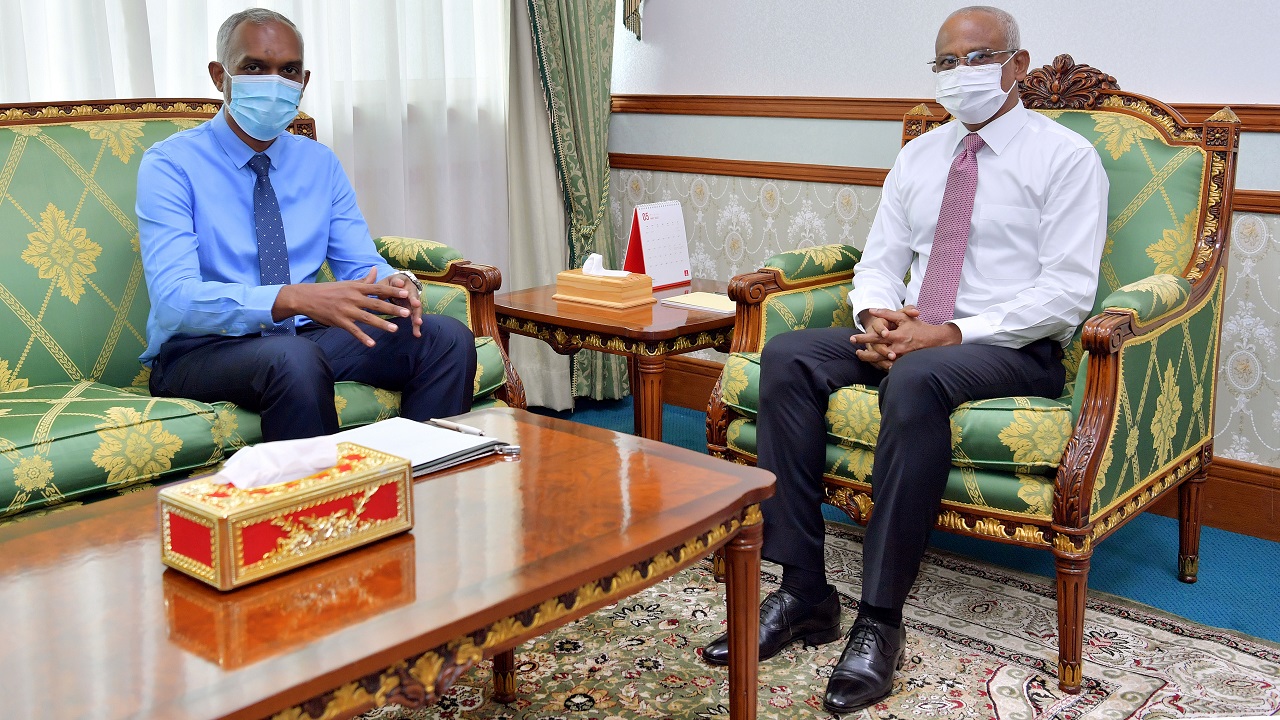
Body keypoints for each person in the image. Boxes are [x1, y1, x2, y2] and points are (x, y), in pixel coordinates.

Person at [700, 6, 1108, 714]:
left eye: (977, 59)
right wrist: (876, 318)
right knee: (790, 356)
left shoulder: (1065, 158)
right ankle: (803, 591)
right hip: (913, 334)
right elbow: (881, 261)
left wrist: (949, 334)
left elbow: (1066, 293)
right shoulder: (920, 156)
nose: (960, 74)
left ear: (1017, 64)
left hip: (1012, 347)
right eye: (946, 62)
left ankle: (880, 618)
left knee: (917, 376)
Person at [137, 8, 476, 442]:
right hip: (201, 348)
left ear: (304, 82)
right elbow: (174, 301)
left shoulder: (319, 163)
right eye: (254, 67)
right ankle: (318, 491)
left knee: (447, 338)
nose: (274, 81)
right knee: (293, 358)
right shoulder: (170, 165)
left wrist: (394, 283)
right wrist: (293, 298)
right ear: (220, 76)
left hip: (302, 339)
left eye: (288, 70)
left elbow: (361, 265)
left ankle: (420, 478)